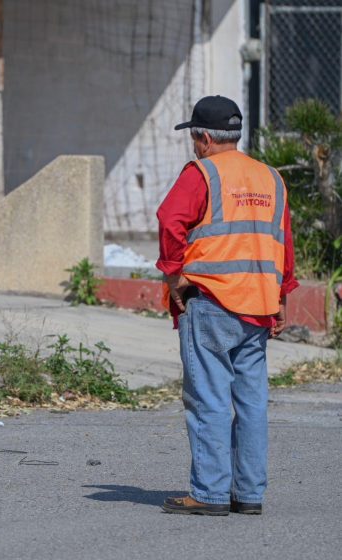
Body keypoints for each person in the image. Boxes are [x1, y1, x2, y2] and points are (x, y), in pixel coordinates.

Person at [157, 96, 298, 515]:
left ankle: (209, 494)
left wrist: (173, 273)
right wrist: (283, 295)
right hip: (258, 306)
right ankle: (248, 495)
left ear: (202, 137)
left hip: (213, 302)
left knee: (209, 400)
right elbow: (283, 243)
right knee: (252, 404)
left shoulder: (202, 173)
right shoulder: (271, 177)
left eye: (194, 137)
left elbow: (170, 220)